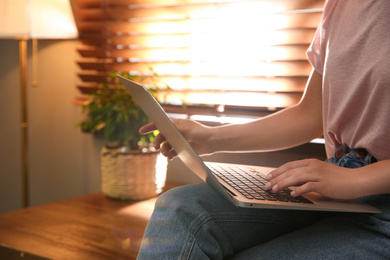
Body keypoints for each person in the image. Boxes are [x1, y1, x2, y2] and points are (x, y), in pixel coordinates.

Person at [136, 0, 390, 259]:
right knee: (180, 208)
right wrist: (212, 137)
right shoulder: (339, 5)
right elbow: (311, 115)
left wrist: (355, 180)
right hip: (332, 192)